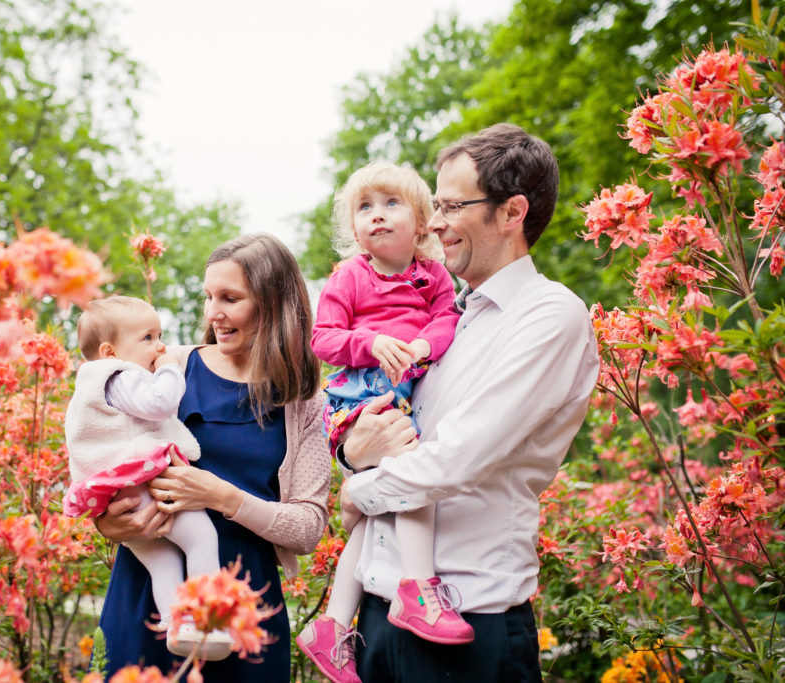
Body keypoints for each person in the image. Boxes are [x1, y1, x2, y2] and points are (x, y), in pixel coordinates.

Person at [339, 124, 600, 682]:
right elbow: (387, 435)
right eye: (435, 204)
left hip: (467, 628)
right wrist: (351, 453)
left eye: (452, 205)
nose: (433, 222)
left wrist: (357, 489)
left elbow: (456, 458)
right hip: (380, 616)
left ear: (511, 213)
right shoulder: (447, 319)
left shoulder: (548, 316)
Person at [92, 233, 331, 682]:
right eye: (208, 297)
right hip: (150, 593)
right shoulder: (168, 369)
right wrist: (108, 521)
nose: (212, 313)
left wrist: (225, 497)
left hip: (245, 610)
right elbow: (100, 449)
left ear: (274, 305)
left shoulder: (304, 400)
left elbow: (308, 528)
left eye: (230, 298)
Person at [297, 162, 467, 683]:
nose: (376, 216)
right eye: (364, 207)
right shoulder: (350, 276)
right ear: (354, 229)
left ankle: (329, 626)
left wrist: (420, 344)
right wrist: (370, 343)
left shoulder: (433, 276)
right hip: (358, 398)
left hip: (402, 399)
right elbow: (322, 338)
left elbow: (447, 321)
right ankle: (417, 587)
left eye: (391, 204)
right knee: (417, 474)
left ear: (422, 223)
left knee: (375, 516)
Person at [62, 296, 231, 658]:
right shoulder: (119, 375)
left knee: (163, 562)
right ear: (109, 352)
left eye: (160, 335)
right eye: (148, 338)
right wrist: (170, 368)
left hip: (119, 494)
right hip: (143, 484)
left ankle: (177, 625)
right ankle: (207, 620)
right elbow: (161, 403)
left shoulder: (90, 385)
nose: (160, 346)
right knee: (200, 538)